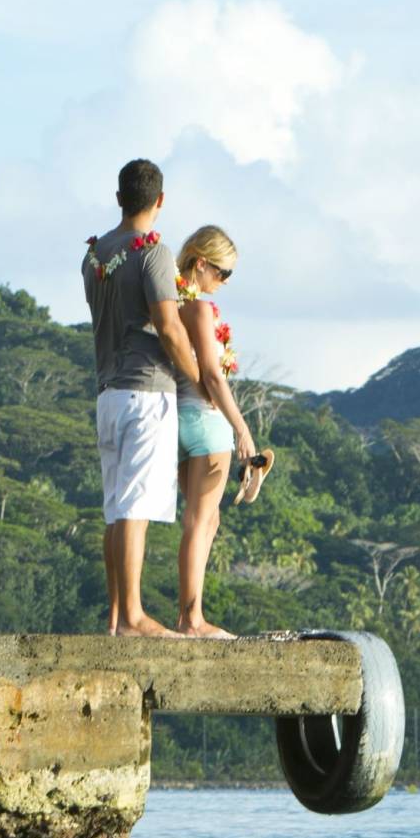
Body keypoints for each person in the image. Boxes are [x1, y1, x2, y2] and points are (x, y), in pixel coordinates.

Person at [82, 158, 201, 636]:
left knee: (116, 508)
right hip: (145, 390)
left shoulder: (94, 256)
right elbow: (169, 329)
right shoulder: (153, 253)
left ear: (119, 199)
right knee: (134, 507)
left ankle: (116, 618)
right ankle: (133, 617)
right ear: (160, 201)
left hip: (107, 393)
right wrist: (197, 380)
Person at [168, 226, 262, 637]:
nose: (224, 283)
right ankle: (192, 620)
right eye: (222, 273)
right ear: (201, 264)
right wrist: (242, 429)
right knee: (201, 520)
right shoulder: (201, 311)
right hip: (208, 424)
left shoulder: (169, 306)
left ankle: (190, 616)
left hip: (177, 420)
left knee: (204, 518)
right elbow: (212, 375)